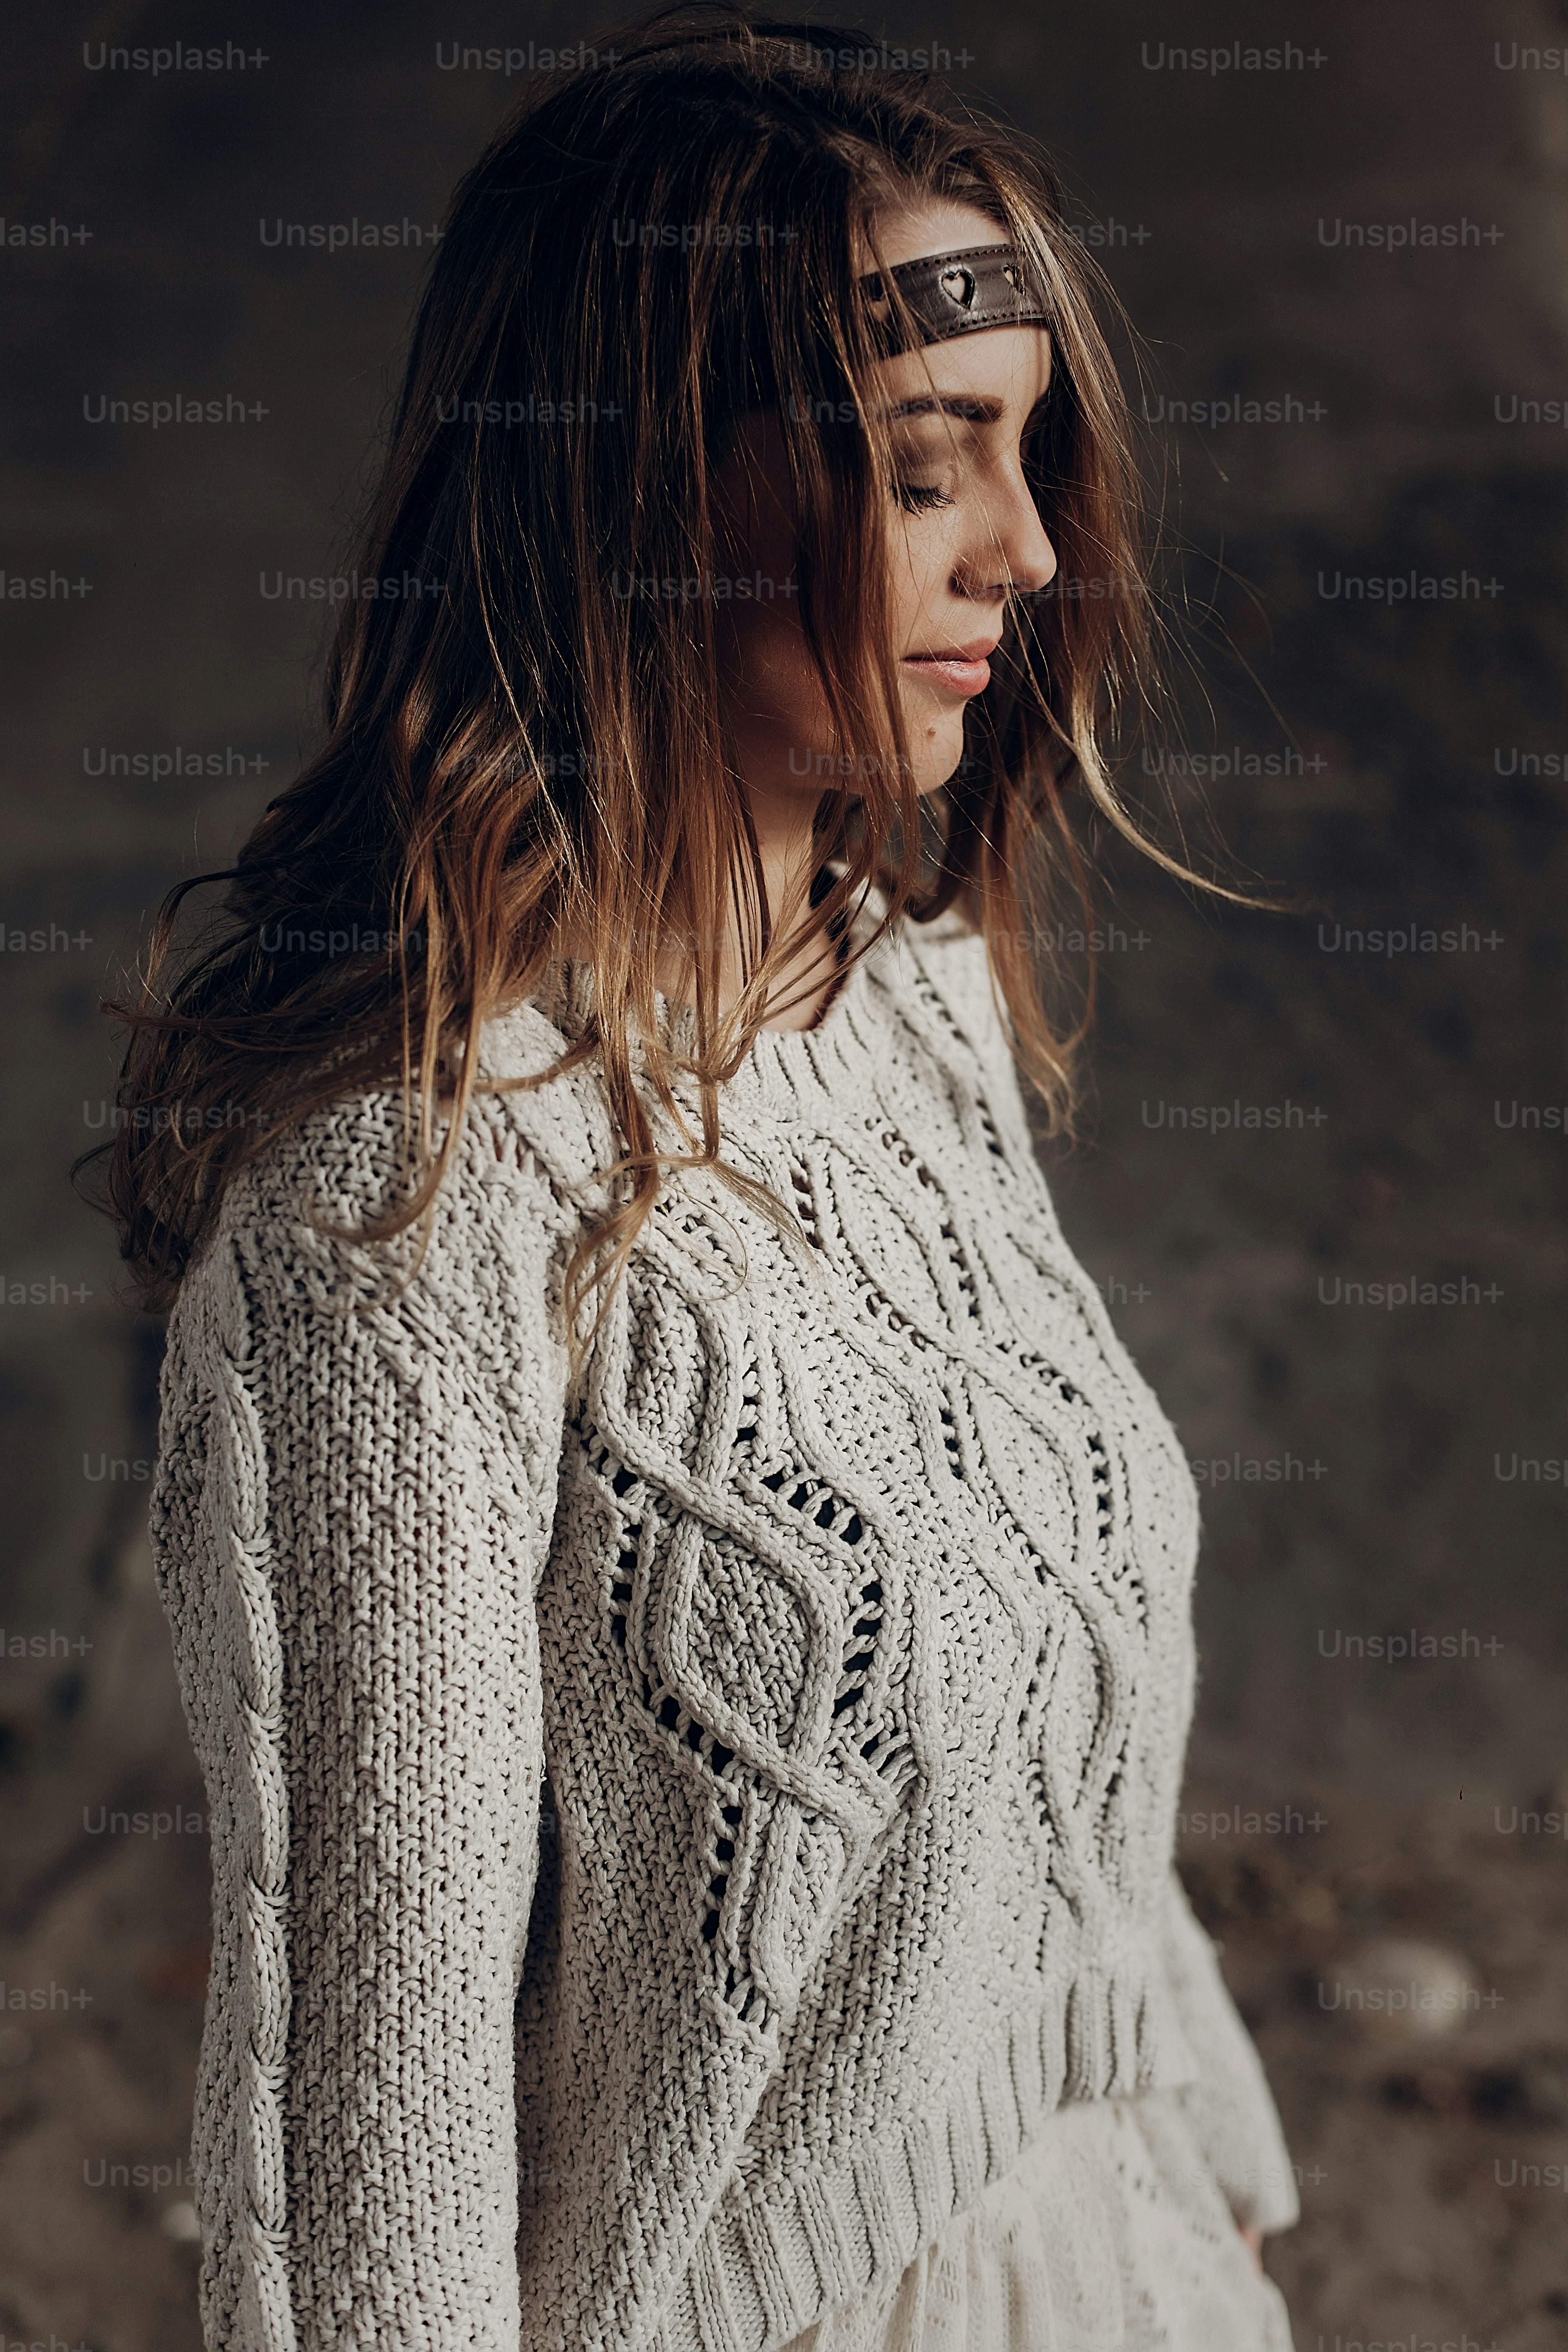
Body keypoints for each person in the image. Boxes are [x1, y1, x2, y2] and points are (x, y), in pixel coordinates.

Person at [91, 10, 1300, 2347]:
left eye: (1029, 455)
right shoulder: (403, 1220)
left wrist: (1221, 2189)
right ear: (646, 483)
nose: (1032, 552)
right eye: (934, 460)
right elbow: (378, 2167)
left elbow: (1071, 1759)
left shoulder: (915, 1010)